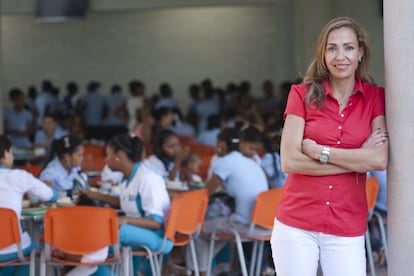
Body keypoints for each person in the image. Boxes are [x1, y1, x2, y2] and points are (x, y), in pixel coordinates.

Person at [270, 16, 388, 276]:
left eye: (348, 47)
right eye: (332, 48)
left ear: (360, 52)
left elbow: (378, 159)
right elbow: (289, 161)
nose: (340, 56)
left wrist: (319, 152)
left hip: (347, 224)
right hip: (296, 224)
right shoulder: (301, 94)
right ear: (323, 54)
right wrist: (357, 159)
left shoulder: (375, 98)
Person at [80, 134, 173, 274]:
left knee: (108, 234)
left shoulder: (148, 179)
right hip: (139, 232)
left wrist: (126, 219)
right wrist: (95, 195)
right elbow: (124, 203)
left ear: (119, 155)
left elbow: (156, 222)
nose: (106, 160)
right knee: (94, 242)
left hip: (158, 236)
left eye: (108, 155)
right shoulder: (126, 179)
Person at [185, 128, 268, 275]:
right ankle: (214, 268)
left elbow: (204, 194)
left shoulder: (224, 162)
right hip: (266, 224)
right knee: (218, 227)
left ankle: (197, 272)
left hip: (245, 224)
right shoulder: (252, 162)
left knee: (198, 230)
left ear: (221, 144)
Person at [0, 135, 58, 276]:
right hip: (13, 249)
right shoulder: (19, 176)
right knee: (31, 248)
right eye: (11, 152)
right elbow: (51, 196)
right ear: (6, 154)